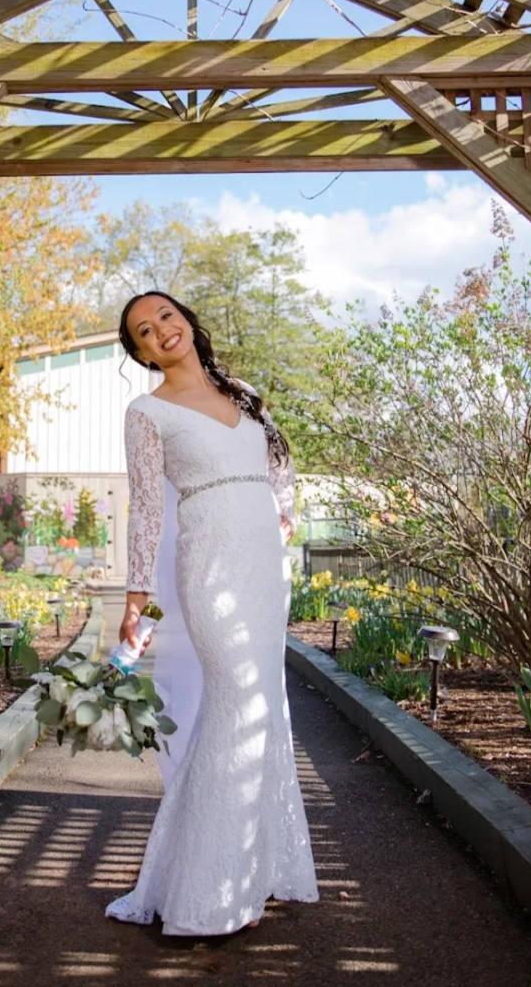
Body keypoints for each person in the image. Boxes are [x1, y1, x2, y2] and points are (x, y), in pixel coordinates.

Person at [105, 291, 319, 937]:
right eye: (144, 330)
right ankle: (208, 893)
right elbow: (145, 508)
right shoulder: (146, 412)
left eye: (165, 316)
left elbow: (277, 460)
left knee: (263, 710)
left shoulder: (244, 392)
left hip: (261, 565)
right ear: (140, 352)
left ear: (187, 321)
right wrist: (135, 595)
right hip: (209, 564)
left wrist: (281, 508)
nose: (160, 331)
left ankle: (253, 867)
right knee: (237, 705)